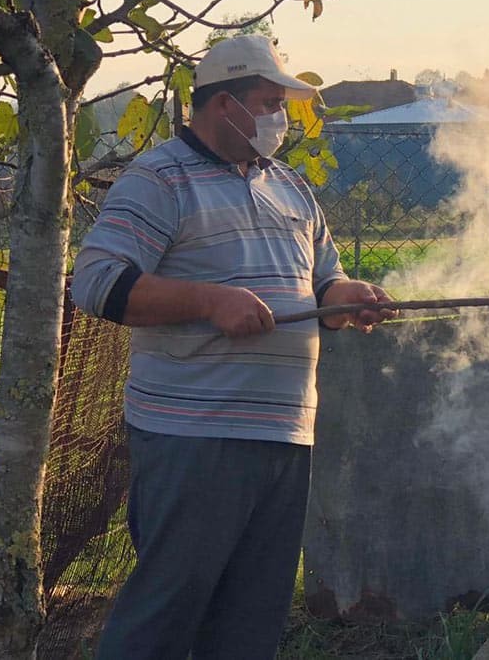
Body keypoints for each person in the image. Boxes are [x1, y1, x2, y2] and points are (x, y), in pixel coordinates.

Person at [71, 34, 395, 659]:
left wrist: (346, 297)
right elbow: (97, 282)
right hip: (195, 435)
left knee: (252, 618)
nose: (279, 118)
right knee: (168, 610)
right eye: (269, 104)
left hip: (284, 436)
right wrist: (209, 301)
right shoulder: (159, 179)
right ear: (224, 104)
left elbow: (323, 280)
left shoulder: (290, 186)